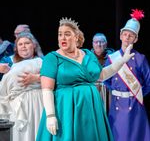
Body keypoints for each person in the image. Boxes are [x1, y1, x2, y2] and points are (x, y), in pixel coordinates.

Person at [36, 17, 134, 141]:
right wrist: (50, 115)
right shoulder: (52, 58)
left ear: (76, 37)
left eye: (67, 34)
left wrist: (122, 61)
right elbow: (47, 89)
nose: (62, 38)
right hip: (66, 109)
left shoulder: (88, 54)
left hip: (91, 108)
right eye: (60, 34)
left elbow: (102, 75)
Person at [104, 9, 150, 141]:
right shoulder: (112, 58)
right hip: (116, 106)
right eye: (125, 34)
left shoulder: (141, 59)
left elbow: (148, 84)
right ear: (120, 36)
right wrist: (117, 91)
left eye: (131, 35)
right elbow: (105, 79)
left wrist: (135, 94)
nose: (127, 37)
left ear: (135, 39)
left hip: (135, 105)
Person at [0, 32, 44, 141]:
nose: (23, 46)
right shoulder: (8, 61)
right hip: (15, 106)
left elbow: (56, 78)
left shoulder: (44, 61)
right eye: (20, 44)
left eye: (27, 43)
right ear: (16, 48)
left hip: (38, 102)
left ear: (33, 45)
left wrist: (37, 78)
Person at [91, 33, 114, 112]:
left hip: (109, 92)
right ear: (92, 44)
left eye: (101, 42)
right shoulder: (87, 58)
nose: (99, 44)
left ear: (106, 44)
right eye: (96, 42)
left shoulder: (114, 58)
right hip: (93, 92)